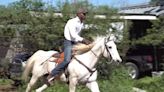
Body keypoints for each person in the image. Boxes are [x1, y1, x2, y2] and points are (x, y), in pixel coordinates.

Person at [47, 8, 91, 84]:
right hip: (68, 42)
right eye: (84, 14)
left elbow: (77, 36)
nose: (85, 16)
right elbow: (73, 35)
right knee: (67, 60)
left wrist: (85, 42)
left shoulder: (82, 23)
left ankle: (75, 75)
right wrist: (83, 40)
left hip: (75, 42)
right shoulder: (72, 22)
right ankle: (52, 75)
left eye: (85, 14)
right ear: (79, 14)